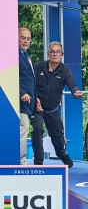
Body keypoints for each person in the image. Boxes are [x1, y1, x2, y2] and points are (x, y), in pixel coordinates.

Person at [31, 41, 82, 168]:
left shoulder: (65, 70)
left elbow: (72, 84)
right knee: (37, 128)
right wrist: (35, 99)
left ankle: (63, 155)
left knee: (58, 137)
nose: (55, 54)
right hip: (37, 107)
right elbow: (30, 85)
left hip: (52, 109)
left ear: (62, 54)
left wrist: (76, 92)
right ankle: (38, 161)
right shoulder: (38, 67)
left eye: (57, 52)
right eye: (52, 51)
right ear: (48, 53)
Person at [19, 28, 39, 165]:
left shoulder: (25, 55)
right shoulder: (14, 56)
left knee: (24, 129)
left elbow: (30, 80)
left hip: (29, 102)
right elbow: (10, 77)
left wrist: (35, 97)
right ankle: (20, 162)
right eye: (22, 38)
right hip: (18, 102)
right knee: (23, 128)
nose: (26, 41)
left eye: (28, 38)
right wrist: (21, 93)